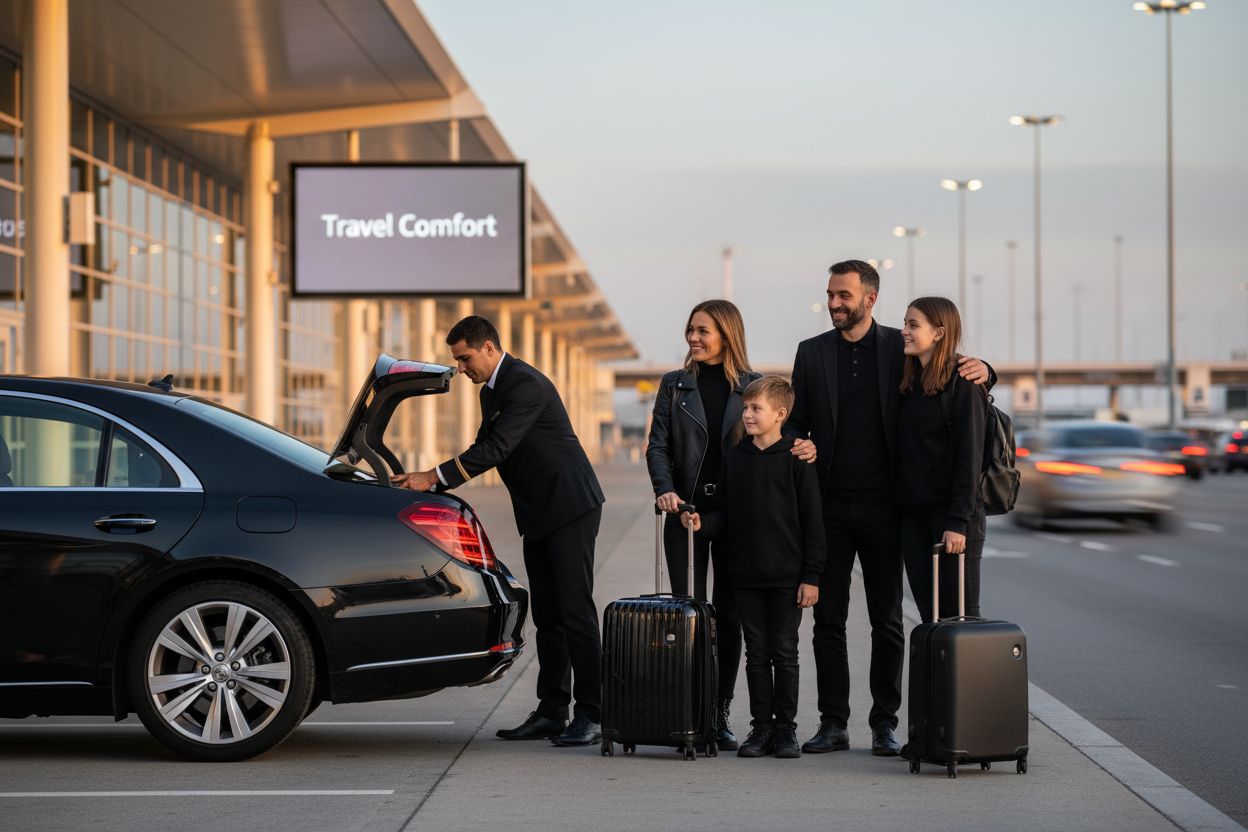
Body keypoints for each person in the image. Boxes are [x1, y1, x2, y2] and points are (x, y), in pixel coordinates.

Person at [784, 260, 993, 757]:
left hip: (888, 509)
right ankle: (833, 723)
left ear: (869, 298)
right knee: (828, 622)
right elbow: (793, 424)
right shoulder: (810, 354)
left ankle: (885, 724)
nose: (835, 303)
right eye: (831, 294)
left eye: (844, 296)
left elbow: (947, 375)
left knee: (888, 622)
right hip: (829, 508)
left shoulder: (896, 349)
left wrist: (988, 372)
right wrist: (799, 445)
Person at [392, 315, 606, 747]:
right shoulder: (493, 389)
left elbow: (497, 447)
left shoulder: (526, 384)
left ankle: (592, 714)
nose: (461, 367)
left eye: (465, 358)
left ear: (488, 347)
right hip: (539, 512)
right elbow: (481, 444)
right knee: (547, 616)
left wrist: (432, 477)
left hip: (569, 507)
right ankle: (552, 710)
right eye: (457, 360)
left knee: (575, 612)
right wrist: (431, 477)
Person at [646, 299, 772, 751]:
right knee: (689, 616)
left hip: (738, 519)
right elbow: (658, 444)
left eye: (704, 331)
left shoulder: (756, 387)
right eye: (691, 330)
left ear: (727, 334)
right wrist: (665, 490)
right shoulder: (675, 385)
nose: (694, 338)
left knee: (731, 618)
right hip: (686, 514)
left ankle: (718, 712)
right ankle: (689, 709)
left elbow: (772, 446)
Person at [681, 376, 825, 759]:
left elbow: (813, 523)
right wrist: (702, 524)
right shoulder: (736, 459)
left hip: (786, 577)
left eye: (755, 408)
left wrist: (811, 576)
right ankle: (761, 727)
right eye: (745, 408)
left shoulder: (796, 460)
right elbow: (725, 513)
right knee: (756, 653)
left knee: (785, 652)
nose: (747, 414)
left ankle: (786, 730)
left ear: (780, 414)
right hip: (744, 576)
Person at [896, 297, 988, 622]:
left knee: (961, 621)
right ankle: (936, 677)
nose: (903, 331)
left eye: (912, 325)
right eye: (904, 323)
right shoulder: (910, 381)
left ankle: (968, 678)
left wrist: (957, 523)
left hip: (951, 520)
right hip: (913, 519)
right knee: (930, 619)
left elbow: (970, 455)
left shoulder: (962, 382)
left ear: (939, 332)